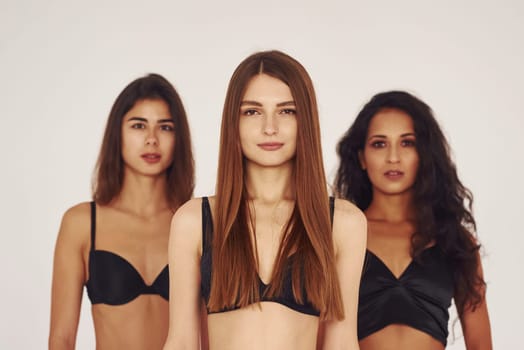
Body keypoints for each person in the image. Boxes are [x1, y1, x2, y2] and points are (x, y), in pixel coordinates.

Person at [163, 50, 367, 350]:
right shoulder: (193, 220)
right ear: (233, 123)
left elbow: (342, 343)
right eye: (252, 111)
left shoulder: (343, 223)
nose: (269, 127)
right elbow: (181, 341)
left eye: (287, 111)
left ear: (305, 121)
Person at [334, 90, 492, 349]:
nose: (393, 157)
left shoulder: (455, 241)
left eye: (407, 142)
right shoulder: (338, 234)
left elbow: (481, 345)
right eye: (379, 144)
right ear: (361, 157)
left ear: (424, 154)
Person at [49, 73, 194, 350]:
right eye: (139, 126)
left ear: (179, 138)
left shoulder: (194, 222)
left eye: (165, 127)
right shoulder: (81, 224)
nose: (152, 139)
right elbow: (61, 339)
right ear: (118, 133)